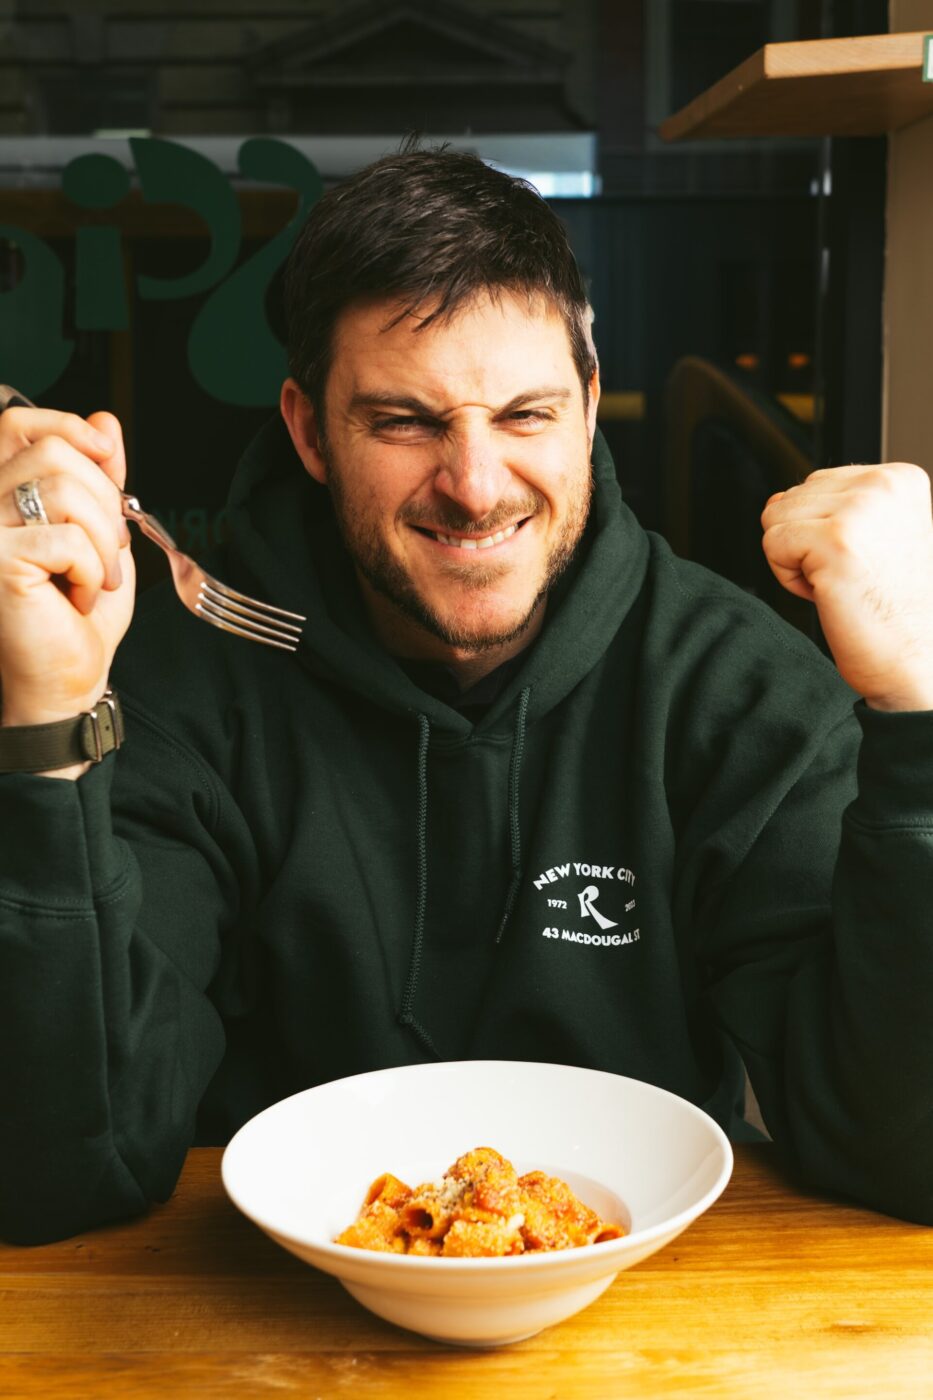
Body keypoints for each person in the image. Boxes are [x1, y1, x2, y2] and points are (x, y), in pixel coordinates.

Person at [0, 148, 931, 1247]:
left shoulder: (731, 690)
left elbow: (900, 1149)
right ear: (309, 431)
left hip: (656, 1305)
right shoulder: (179, 682)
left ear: (590, 404)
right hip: (259, 1302)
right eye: (405, 420)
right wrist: (42, 729)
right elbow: (73, 1171)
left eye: (527, 414)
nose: (476, 486)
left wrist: (918, 713)